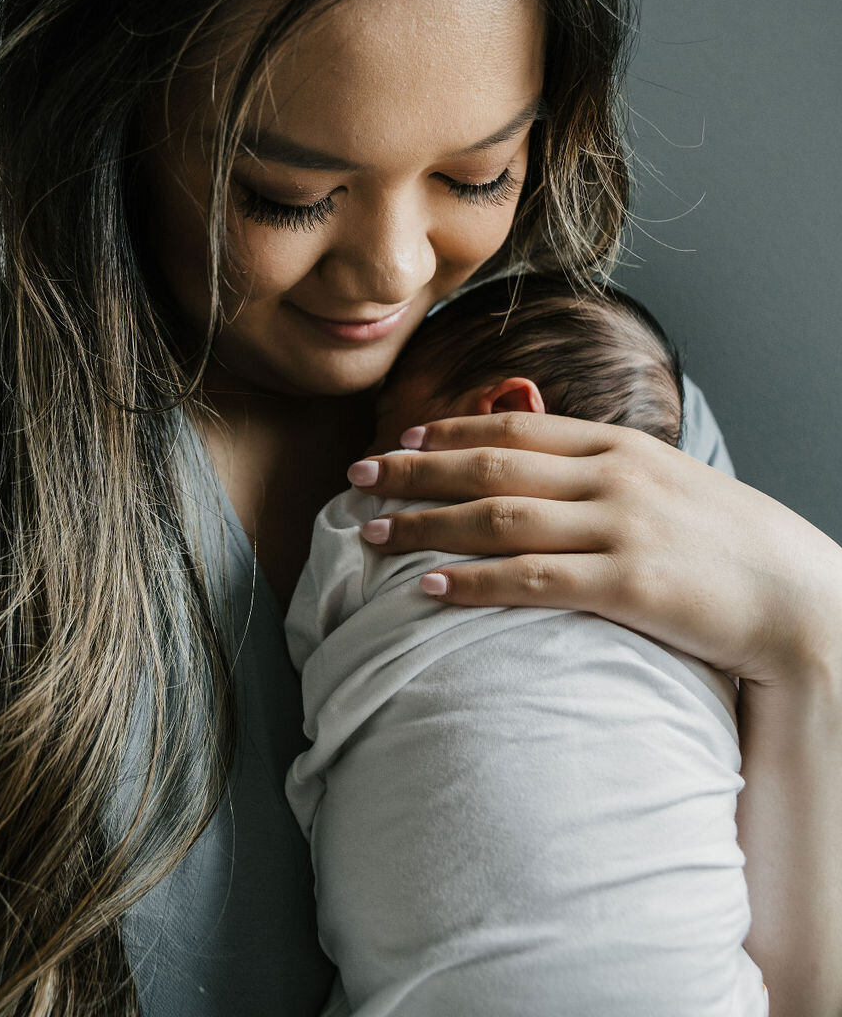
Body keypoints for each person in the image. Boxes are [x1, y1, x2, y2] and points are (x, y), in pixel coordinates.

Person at [0, 0, 841, 1017]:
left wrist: (812, 631)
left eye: (478, 177)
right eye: (288, 194)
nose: (396, 270)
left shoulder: (593, 424)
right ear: (112, 127)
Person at [284, 272, 769, 1014]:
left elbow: (312, 634)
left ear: (507, 415)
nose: (370, 449)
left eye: (384, 423)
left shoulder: (386, 519)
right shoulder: (696, 601)